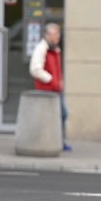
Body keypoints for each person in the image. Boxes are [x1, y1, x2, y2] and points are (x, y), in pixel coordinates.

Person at [29, 22, 70, 151]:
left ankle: (59, 141)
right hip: (46, 91)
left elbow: (57, 69)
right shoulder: (41, 49)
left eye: (58, 34)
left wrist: (60, 82)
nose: (57, 37)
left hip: (56, 89)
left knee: (61, 115)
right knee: (54, 117)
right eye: (55, 34)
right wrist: (51, 80)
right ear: (47, 35)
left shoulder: (55, 49)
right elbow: (35, 69)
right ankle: (51, 142)